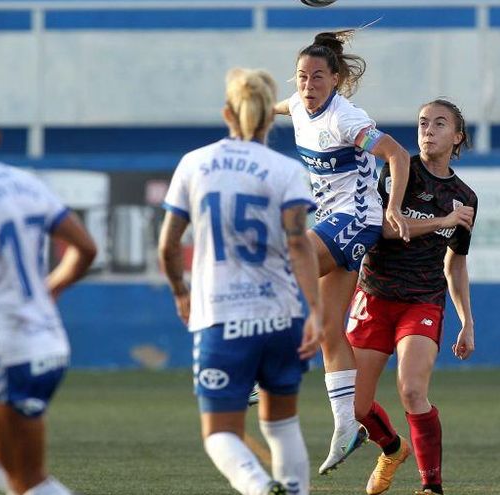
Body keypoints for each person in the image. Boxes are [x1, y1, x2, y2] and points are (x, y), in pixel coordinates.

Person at [158, 68, 322, 495]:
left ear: (227, 112)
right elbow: (300, 245)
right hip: (281, 315)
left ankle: (258, 487)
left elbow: (168, 245)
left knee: (220, 433)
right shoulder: (285, 170)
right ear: (271, 117)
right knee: (282, 426)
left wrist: (180, 291)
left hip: (221, 316)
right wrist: (316, 312)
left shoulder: (195, 163)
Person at [271, 29, 413, 474]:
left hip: (357, 220)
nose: (308, 84)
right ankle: (346, 426)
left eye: (317, 76)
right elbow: (266, 105)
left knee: (288, 262)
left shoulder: (345, 120)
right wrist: (248, 101)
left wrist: (392, 207)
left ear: (335, 80)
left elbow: (398, 154)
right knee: (332, 329)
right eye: (301, 76)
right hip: (330, 223)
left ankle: (266, 362)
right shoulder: (296, 105)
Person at [348, 99, 478, 495]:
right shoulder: (399, 169)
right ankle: (391, 448)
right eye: (423, 122)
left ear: (456, 137)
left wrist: (467, 322)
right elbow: (389, 229)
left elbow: (454, 264)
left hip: (422, 300)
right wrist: (441, 221)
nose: (428, 130)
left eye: (440, 124)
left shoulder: (464, 198)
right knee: (355, 407)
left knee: (412, 390)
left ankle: (431, 487)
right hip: (375, 294)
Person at [0, 96, 98, 495]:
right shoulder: (24, 183)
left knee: (26, 482)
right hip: (46, 341)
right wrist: (49, 291)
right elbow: (86, 249)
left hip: (4, 355)